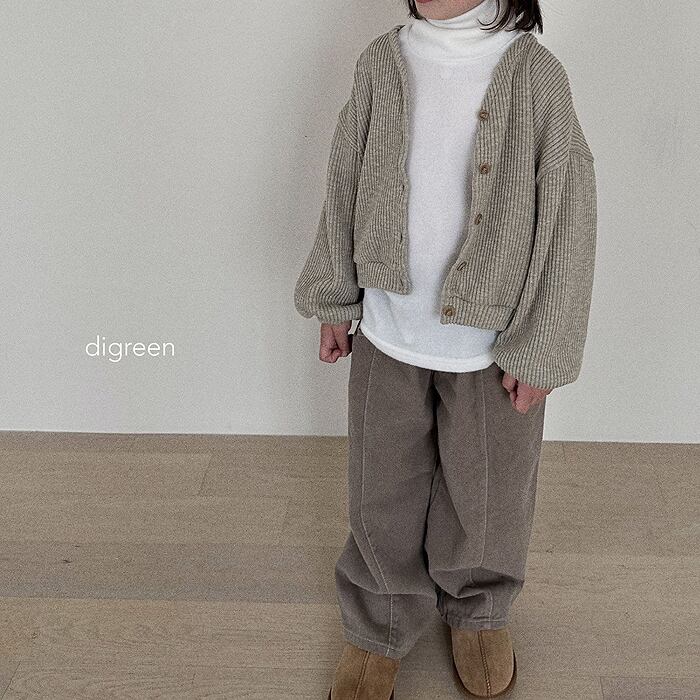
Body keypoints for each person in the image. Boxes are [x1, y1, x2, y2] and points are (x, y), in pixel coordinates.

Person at [294, 0, 597, 697]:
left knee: (489, 493)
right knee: (381, 487)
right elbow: (345, 180)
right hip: (389, 329)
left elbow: (568, 217)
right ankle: (379, 620)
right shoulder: (381, 62)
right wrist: (335, 296)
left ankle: (479, 610)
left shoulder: (536, 77)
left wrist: (544, 348)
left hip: (495, 345)